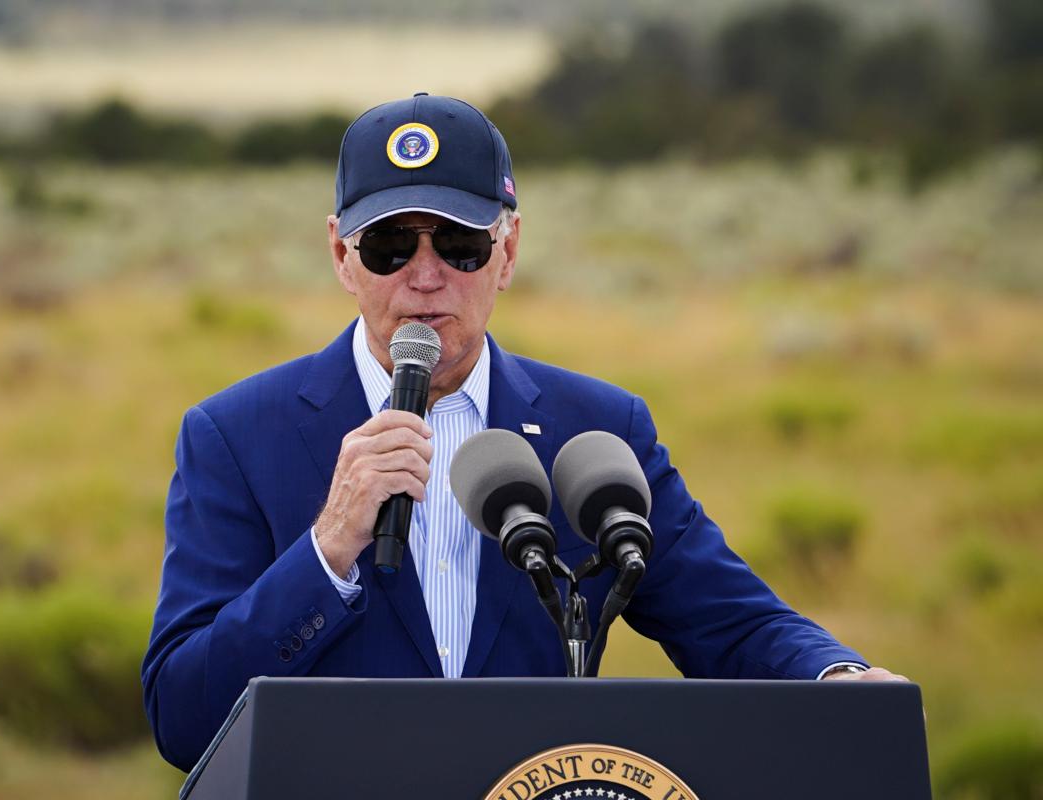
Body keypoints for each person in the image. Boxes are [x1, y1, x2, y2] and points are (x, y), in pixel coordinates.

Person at [142, 93, 907, 772]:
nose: (426, 274)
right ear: (342, 257)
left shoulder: (599, 429)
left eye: (460, 244)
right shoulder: (235, 435)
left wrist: (837, 680)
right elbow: (183, 719)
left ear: (507, 253)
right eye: (390, 247)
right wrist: (326, 550)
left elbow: (730, 621)